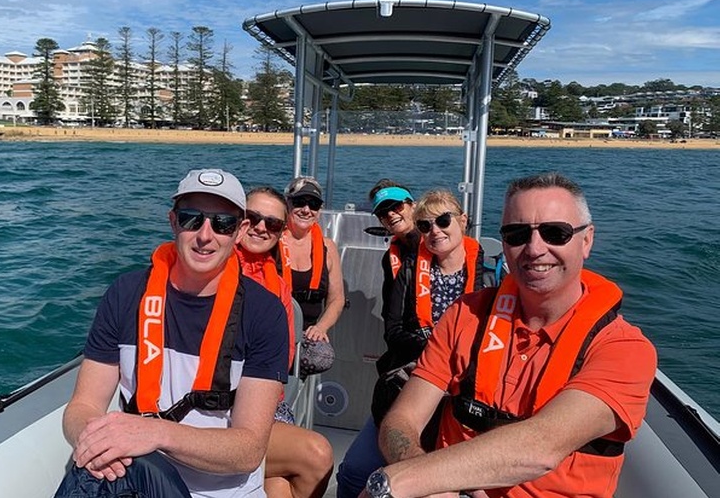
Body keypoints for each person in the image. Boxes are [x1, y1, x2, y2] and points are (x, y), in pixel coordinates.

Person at [365, 172, 657, 498]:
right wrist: (427, 480)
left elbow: (540, 448)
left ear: (587, 240)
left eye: (555, 233)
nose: (534, 248)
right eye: (517, 234)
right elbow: (400, 421)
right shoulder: (464, 315)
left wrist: (406, 480)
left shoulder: (623, 349)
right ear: (504, 243)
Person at [54, 169, 290, 498]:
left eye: (222, 223)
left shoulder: (265, 313)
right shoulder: (125, 294)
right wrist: (93, 442)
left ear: (240, 231)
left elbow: (248, 449)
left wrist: (156, 433)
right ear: (173, 222)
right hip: (133, 478)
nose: (205, 235)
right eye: (192, 218)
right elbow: (82, 407)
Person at [337, 186, 484, 498]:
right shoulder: (407, 271)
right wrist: (434, 347)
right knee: (353, 472)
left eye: (443, 221)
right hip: (412, 381)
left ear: (463, 220)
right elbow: (393, 331)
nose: (435, 231)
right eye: (425, 226)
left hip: (463, 393)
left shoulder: (486, 273)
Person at [236, 186, 334, 498]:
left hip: (265, 398)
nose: (261, 227)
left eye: (272, 224)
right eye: (252, 218)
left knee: (279, 486)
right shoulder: (213, 268)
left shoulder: (276, 285)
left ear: (280, 232)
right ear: (238, 221)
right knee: (314, 456)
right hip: (221, 402)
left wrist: (319, 327)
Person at [280, 176, 345, 376]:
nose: (306, 210)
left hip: (307, 333)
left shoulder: (328, 247)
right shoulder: (271, 240)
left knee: (322, 358)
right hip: (274, 329)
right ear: (287, 204)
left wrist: (321, 328)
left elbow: (337, 298)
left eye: (314, 204)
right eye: (299, 202)